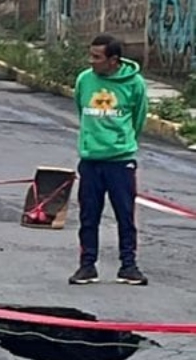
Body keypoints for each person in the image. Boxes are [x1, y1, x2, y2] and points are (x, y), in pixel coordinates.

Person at [68, 33, 149, 286]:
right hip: (91, 161)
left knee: (125, 216)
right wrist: (93, 143)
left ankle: (128, 266)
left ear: (113, 60)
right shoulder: (84, 80)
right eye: (90, 55)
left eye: (97, 57)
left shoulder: (134, 83)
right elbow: (82, 111)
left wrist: (121, 144)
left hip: (120, 162)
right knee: (88, 216)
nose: (91, 61)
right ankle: (87, 266)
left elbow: (139, 118)